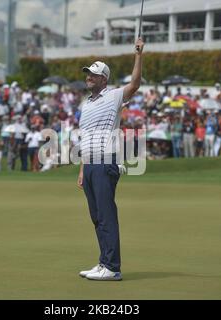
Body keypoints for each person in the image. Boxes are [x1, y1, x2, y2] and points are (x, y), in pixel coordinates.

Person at [77, 38, 144, 281]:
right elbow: (85, 138)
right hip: (91, 164)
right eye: (88, 74)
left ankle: (113, 268)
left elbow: (135, 83)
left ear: (103, 78)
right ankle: (103, 261)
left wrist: (138, 54)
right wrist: (83, 169)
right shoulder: (86, 104)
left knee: (106, 215)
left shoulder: (114, 96)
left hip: (106, 163)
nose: (89, 77)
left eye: (93, 75)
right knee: (96, 216)